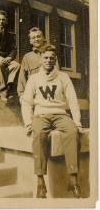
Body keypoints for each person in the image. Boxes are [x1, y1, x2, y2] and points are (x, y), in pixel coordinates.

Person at [21, 45, 83, 198]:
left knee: (72, 131)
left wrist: (77, 122)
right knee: (39, 133)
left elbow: (73, 100)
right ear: (41, 60)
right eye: (46, 58)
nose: (48, 60)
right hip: (41, 115)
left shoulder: (63, 77)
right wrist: (28, 123)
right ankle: (40, 182)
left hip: (60, 114)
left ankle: (73, 180)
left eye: (51, 58)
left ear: (55, 60)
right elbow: (27, 102)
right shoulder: (34, 79)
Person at [17, 27, 47, 99]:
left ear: (43, 38)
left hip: (49, 93)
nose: (36, 39)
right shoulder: (27, 57)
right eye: (33, 38)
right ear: (30, 41)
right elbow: (22, 78)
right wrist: (22, 95)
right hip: (34, 95)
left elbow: (57, 75)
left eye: (38, 37)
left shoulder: (50, 54)